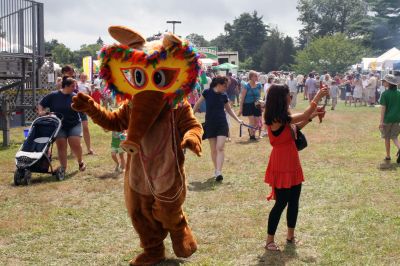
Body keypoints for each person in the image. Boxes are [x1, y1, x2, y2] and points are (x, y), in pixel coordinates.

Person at [263, 84, 329, 251]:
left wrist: (314, 115)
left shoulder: (284, 117)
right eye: (288, 95)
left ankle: (290, 235)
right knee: (281, 203)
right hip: (281, 164)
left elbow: (295, 128)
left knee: (294, 201)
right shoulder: (275, 118)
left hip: (292, 162)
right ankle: (269, 240)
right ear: (281, 98)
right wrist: (317, 98)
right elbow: (302, 116)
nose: (290, 97)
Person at [192, 75, 243, 182]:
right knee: (213, 149)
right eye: (225, 86)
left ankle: (219, 172)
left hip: (222, 124)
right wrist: (191, 116)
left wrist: (238, 120)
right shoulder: (207, 92)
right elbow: (197, 105)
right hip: (210, 123)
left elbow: (229, 110)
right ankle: (216, 170)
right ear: (218, 84)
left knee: (220, 147)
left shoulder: (224, 95)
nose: (226, 88)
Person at [38, 77, 86, 173]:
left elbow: (82, 110)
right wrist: (41, 111)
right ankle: (63, 168)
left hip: (74, 124)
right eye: (73, 86)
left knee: (75, 143)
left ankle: (80, 162)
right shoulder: (53, 95)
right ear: (66, 86)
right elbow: (41, 103)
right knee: (61, 146)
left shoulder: (75, 96)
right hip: (59, 126)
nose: (75, 88)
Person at [378, 74, 400, 163]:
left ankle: (388, 156)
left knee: (387, 137)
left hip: (387, 119)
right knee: (394, 137)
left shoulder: (385, 94)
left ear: (389, 83)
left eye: (384, 81)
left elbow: (383, 109)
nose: (383, 82)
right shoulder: (399, 93)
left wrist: (381, 121)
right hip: (397, 119)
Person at [238, 70, 263, 140]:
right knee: (252, 120)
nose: (257, 77)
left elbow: (259, 96)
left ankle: (251, 131)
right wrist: (240, 109)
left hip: (257, 105)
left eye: (257, 76)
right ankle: (252, 136)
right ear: (251, 77)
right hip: (248, 105)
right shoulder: (246, 86)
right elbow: (242, 98)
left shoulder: (259, 85)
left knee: (257, 121)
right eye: (255, 76)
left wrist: (261, 103)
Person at [77, 73, 94, 155]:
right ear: (79, 77)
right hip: (76, 107)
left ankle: (89, 149)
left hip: (84, 107)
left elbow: (90, 96)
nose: (83, 78)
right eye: (82, 77)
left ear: (86, 78)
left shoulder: (88, 85)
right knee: (75, 129)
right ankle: (73, 150)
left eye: (84, 77)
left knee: (85, 127)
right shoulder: (76, 84)